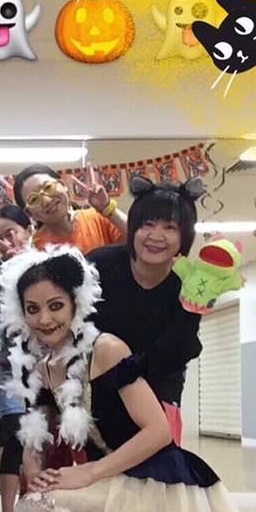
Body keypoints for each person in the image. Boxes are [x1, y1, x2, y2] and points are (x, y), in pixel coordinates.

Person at [0, 246, 256, 512]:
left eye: (55, 306)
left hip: (151, 481)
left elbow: (159, 431)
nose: (45, 319)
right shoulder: (42, 366)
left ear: (75, 304)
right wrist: (34, 469)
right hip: (105, 482)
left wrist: (88, 474)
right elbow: (35, 429)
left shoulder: (106, 349)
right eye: (33, 308)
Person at [87, 175, 203, 445]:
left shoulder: (190, 282)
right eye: (147, 224)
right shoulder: (99, 265)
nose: (156, 236)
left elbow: (179, 347)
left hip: (160, 378)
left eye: (169, 227)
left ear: (185, 235)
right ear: (133, 229)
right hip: (101, 377)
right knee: (103, 451)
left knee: (158, 453)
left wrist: (131, 372)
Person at [0, 205, 33, 512]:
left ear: (28, 230)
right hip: (13, 368)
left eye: (10, 233)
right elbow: (7, 316)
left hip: (50, 365)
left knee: (43, 440)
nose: (4, 242)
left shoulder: (46, 262)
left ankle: (39, 510)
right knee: (15, 437)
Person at [13, 164, 126, 254]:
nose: (46, 200)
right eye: (33, 200)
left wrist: (108, 208)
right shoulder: (35, 249)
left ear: (63, 184)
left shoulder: (96, 217)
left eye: (48, 187)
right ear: (30, 214)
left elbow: (134, 238)